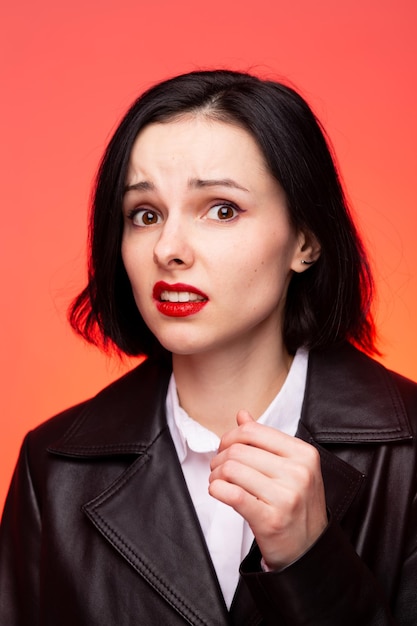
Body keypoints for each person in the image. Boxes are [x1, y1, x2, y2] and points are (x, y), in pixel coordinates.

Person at [0, 70, 416, 626]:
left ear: (306, 241)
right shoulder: (52, 467)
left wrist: (311, 563)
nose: (168, 249)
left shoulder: (408, 452)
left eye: (221, 208)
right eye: (144, 215)